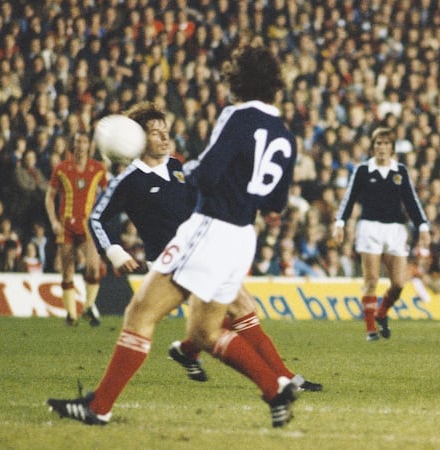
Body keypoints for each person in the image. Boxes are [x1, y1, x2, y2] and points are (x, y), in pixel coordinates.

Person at [48, 44, 301, 428]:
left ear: (239, 79)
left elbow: (210, 172)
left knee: (139, 312)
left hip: (210, 227)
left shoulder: (236, 117)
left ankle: (98, 407)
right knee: (204, 331)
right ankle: (275, 387)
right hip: (241, 236)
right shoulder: (285, 133)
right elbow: (276, 202)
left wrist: (193, 174)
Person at [88, 100, 321, 390]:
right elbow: (95, 218)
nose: (164, 137)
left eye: (165, 130)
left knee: (221, 316)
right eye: (154, 132)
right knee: (239, 308)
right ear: (136, 139)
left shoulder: (177, 166)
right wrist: (114, 252)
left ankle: (188, 351)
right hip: (172, 259)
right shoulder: (128, 180)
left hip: (202, 248)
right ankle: (283, 380)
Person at [332, 127, 431, 341]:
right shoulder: (362, 170)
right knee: (372, 279)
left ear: (392, 148)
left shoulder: (400, 171)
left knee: (398, 283)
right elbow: (349, 199)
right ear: (373, 146)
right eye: (378, 143)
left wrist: (423, 226)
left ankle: (382, 312)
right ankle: (370, 329)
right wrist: (339, 223)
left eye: (386, 144)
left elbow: (411, 201)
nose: (382, 147)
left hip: (396, 230)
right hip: (369, 228)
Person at [44, 131, 107, 327]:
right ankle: (71, 316)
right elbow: (49, 197)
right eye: (78, 141)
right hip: (66, 226)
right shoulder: (62, 169)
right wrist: (53, 220)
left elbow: (107, 194)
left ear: (89, 145)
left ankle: (88, 306)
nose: (81, 145)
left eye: (84, 141)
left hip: (88, 226)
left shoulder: (98, 169)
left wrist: (101, 219)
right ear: (73, 145)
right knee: (67, 271)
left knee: (93, 267)